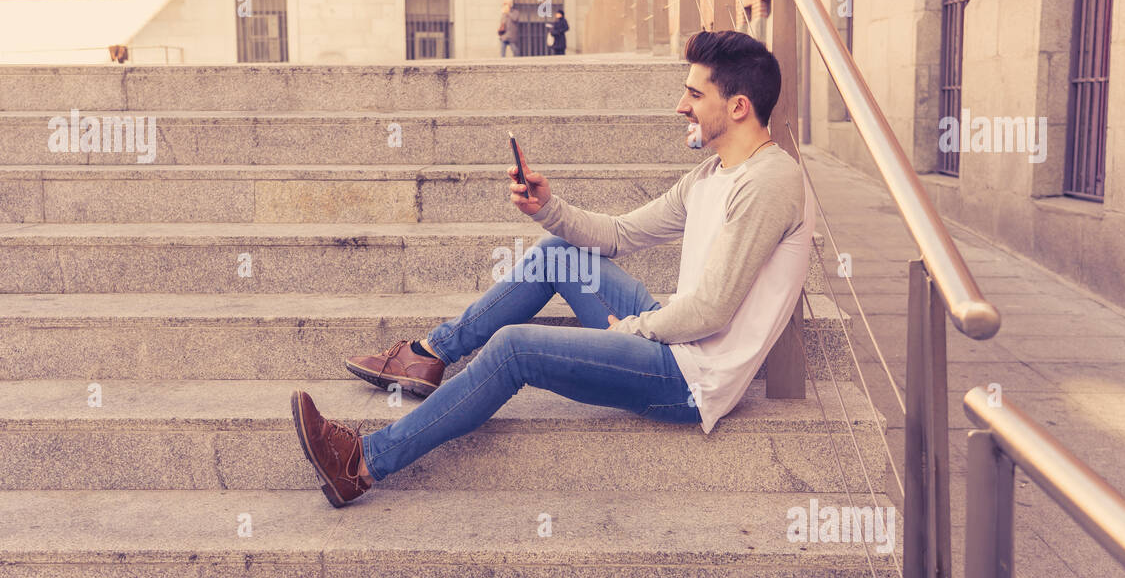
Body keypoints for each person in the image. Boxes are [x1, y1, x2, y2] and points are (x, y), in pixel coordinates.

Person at [290, 29, 816, 507]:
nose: (681, 106)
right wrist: (548, 208)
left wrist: (636, 328)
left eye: (695, 95)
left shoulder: (768, 183)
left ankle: (361, 462)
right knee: (557, 253)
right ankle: (428, 356)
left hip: (689, 377)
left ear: (740, 106)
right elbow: (619, 235)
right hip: (671, 333)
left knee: (516, 349)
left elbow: (712, 311)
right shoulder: (710, 174)